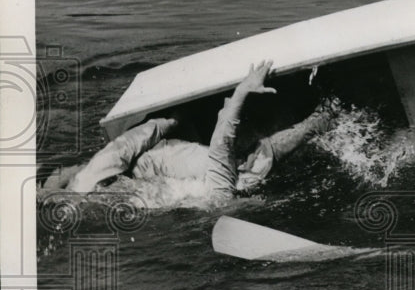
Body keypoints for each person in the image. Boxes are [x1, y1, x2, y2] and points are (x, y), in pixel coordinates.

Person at [43, 60, 333, 199]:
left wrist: (243, 90)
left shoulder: (220, 188)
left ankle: (179, 119)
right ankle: (323, 118)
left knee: (99, 167)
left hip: (149, 161)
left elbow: (223, 143)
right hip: (147, 176)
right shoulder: (232, 185)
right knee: (262, 162)